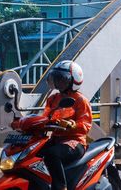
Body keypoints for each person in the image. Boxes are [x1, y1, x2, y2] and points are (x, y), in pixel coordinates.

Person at [41, 60, 92, 190]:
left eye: (62, 79)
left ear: (73, 81)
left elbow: (86, 125)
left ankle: (61, 186)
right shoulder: (53, 99)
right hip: (56, 139)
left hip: (75, 142)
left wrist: (72, 125)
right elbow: (44, 117)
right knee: (33, 152)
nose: (59, 82)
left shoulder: (80, 100)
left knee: (52, 154)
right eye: (57, 78)